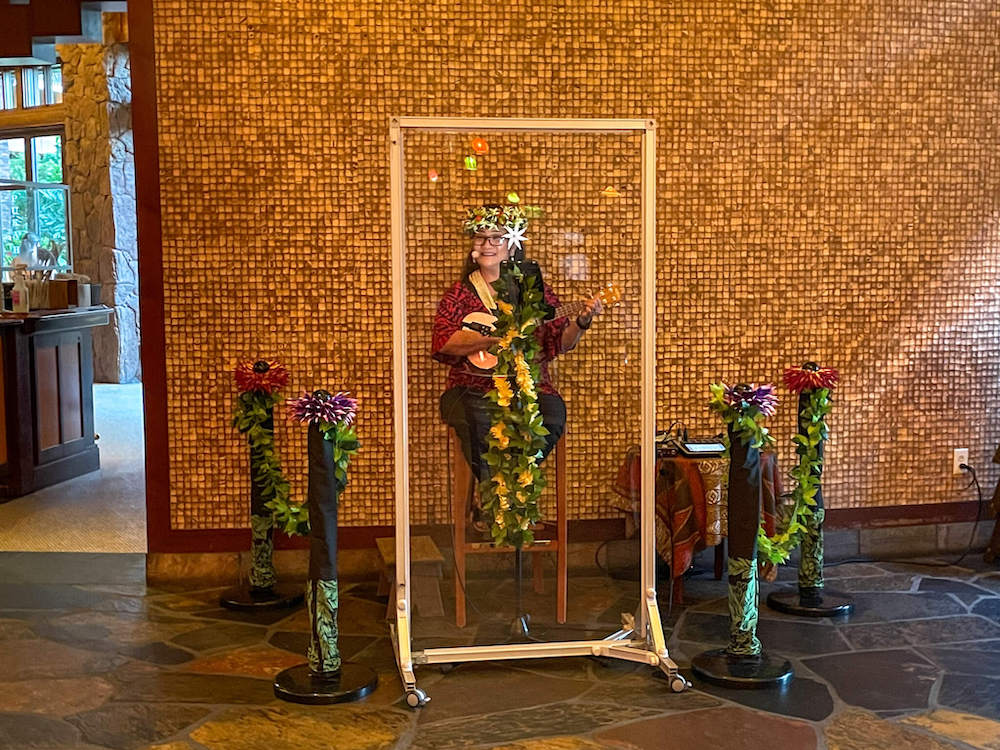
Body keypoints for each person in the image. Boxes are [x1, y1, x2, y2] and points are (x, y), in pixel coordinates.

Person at [431, 203, 602, 490]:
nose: (487, 245)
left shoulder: (535, 292)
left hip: (531, 388)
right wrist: (499, 335)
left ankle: (516, 488)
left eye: (496, 237)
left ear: (512, 245)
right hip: (472, 387)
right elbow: (444, 342)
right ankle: (497, 495)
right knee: (477, 421)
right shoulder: (459, 294)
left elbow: (561, 340)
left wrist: (582, 322)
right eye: (481, 237)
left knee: (552, 414)